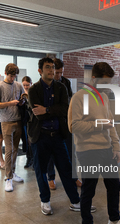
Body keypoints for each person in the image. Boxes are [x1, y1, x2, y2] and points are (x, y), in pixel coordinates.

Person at [69, 62, 120, 224]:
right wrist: (99, 125)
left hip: (106, 150)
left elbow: (111, 124)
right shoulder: (79, 97)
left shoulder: (104, 98)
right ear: (93, 79)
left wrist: (116, 147)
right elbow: (74, 126)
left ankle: (114, 220)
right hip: (88, 150)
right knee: (89, 189)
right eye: (104, 82)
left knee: (114, 185)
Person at [28, 57, 86, 215]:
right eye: (48, 67)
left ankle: (75, 201)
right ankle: (45, 200)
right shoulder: (33, 90)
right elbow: (37, 115)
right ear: (40, 71)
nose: (51, 71)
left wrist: (46, 110)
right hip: (40, 137)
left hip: (58, 136)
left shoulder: (61, 87)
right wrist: (54, 109)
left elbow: (65, 109)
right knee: (42, 171)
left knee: (66, 169)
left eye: (53, 67)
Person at [46, 58, 81, 190]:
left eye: (61, 72)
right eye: (57, 73)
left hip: (66, 122)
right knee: (51, 152)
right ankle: (51, 177)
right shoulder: (47, 84)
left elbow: (69, 102)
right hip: (51, 123)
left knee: (70, 151)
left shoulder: (66, 82)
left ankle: (74, 177)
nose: (59, 75)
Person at [0, 63, 25, 192]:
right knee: (9, 150)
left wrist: (22, 102)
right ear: (6, 73)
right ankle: (8, 178)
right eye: (11, 76)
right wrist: (9, 103)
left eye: (15, 76)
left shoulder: (18, 85)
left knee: (16, 149)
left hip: (18, 120)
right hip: (6, 121)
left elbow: (23, 99)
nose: (13, 78)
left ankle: (12, 172)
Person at [21, 76, 33, 168]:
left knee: (32, 140)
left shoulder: (34, 94)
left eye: (27, 85)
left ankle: (34, 159)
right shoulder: (21, 94)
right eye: (24, 85)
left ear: (31, 84)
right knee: (26, 140)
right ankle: (29, 159)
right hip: (24, 120)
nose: (25, 86)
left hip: (32, 120)